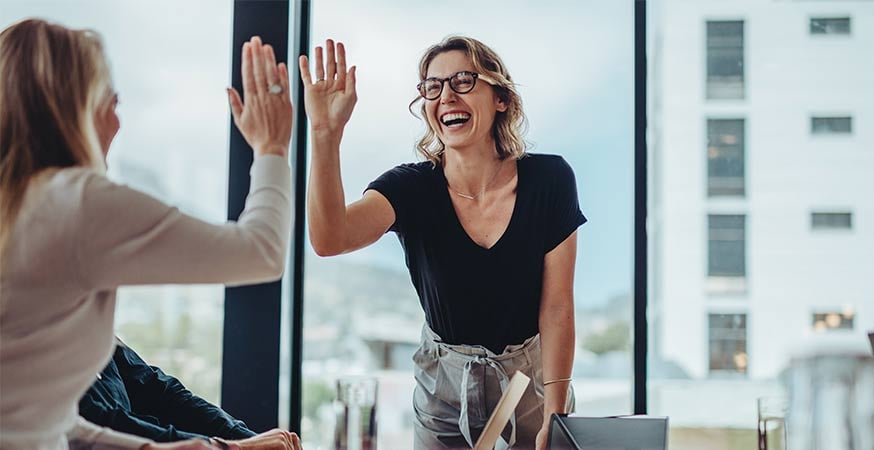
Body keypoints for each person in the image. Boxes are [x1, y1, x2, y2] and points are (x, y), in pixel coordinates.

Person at [0, 19, 298, 450]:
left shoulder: (19, 207)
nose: (117, 123)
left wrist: (217, 447)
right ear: (71, 106)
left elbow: (51, 423)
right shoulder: (76, 203)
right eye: (110, 101)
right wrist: (272, 147)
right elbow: (262, 252)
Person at [299, 36, 586, 450]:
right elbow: (329, 239)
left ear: (501, 98)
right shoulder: (410, 188)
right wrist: (325, 135)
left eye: (463, 81)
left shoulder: (551, 180)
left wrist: (555, 413)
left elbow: (557, 306)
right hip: (443, 389)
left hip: (532, 384)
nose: (446, 95)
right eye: (432, 87)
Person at [80, 338, 299, 449]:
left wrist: (245, 437)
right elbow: (98, 426)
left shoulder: (88, 319)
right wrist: (232, 448)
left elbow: (158, 391)